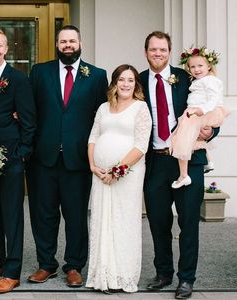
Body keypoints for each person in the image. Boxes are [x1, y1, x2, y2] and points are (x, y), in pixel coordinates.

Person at [140, 31, 219, 300]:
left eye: (162, 49)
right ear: (146, 52)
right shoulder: (137, 81)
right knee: (158, 222)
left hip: (188, 160)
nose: (158, 54)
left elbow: (212, 108)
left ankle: (186, 278)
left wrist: (210, 132)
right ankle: (163, 273)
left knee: (188, 223)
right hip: (155, 161)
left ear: (169, 52)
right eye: (153, 50)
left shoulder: (189, 78)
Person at [27, 25, 107, 287]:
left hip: (78, 159)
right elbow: (31, 112)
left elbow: (101, 118)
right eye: (63, 41)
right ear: (57, 44)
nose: (68, 45)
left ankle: (74, 265)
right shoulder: (40, 72)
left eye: (72, 41)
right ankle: (46, 264)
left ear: (80, 43)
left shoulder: (96, 76)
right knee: (44, 214)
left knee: (75, 215)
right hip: (44, 158)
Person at [0, 28, 36, 293]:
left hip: (11, 157)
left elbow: (29, 119)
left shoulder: (18, 79)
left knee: (12, 215)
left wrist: (22, 152)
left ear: (6, 49)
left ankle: (12, 271)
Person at [85, 64, 152, 293]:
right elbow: (93, 137)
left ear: (136, 85)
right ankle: (102, 275)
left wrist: (117, 170)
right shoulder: (104, 108)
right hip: (100, 174)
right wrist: (94, 165)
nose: (125, 84)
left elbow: (141, 145)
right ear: (114, 83)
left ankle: (122, 275)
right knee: (102, 219)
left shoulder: (140, 108)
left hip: (127, 175)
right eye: (122, 80)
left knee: (122, 220)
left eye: (130, 80)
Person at [169, 47, 229, 189]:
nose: (196, 69)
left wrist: (201, 110)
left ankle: (183, 176)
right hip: (194, 113)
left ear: (209, 66)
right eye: (192, 67)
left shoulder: (210, 81)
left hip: (201, 113)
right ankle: (208, 161)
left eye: (200, 66)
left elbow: (214, 99)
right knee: (192, 139)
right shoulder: (198, 80)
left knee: (181, 141)